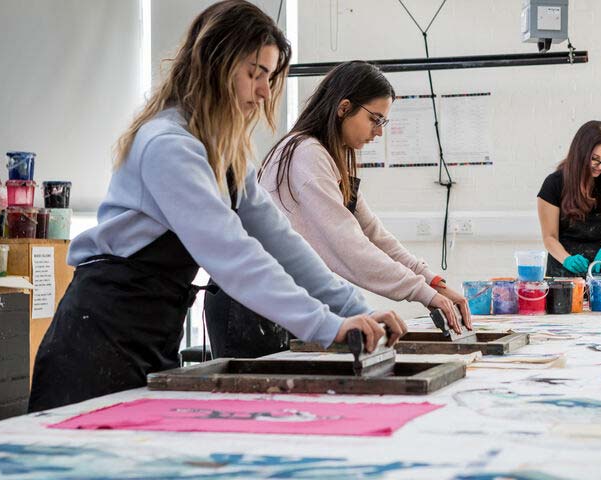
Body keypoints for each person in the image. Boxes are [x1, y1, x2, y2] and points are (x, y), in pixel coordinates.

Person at [28, 1, 406, 413]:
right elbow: (233, 255)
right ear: (216, 65)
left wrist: (356, 310)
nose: (264, 91)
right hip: (97, 337)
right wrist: (326, 325)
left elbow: (280, 240)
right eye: (255, 73)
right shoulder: (168, 146)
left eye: (269, 76)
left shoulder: (222, 155)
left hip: (152, 334)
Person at [204, 61, 471, 359]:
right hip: (248, 305)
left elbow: (373, 235)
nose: (378, 133)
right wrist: (422, 292)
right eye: (375, 120)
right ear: (344, 107)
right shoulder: (306, 154)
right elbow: (347, 246)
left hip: (279, 298)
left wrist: (433, 283)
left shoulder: (330, 158)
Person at [536, 120, 601, 277]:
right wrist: (567, 259)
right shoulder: (554, 184)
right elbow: (549, 237)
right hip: (564, 273)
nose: (600, 166)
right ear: (580, 154)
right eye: (595, 158)